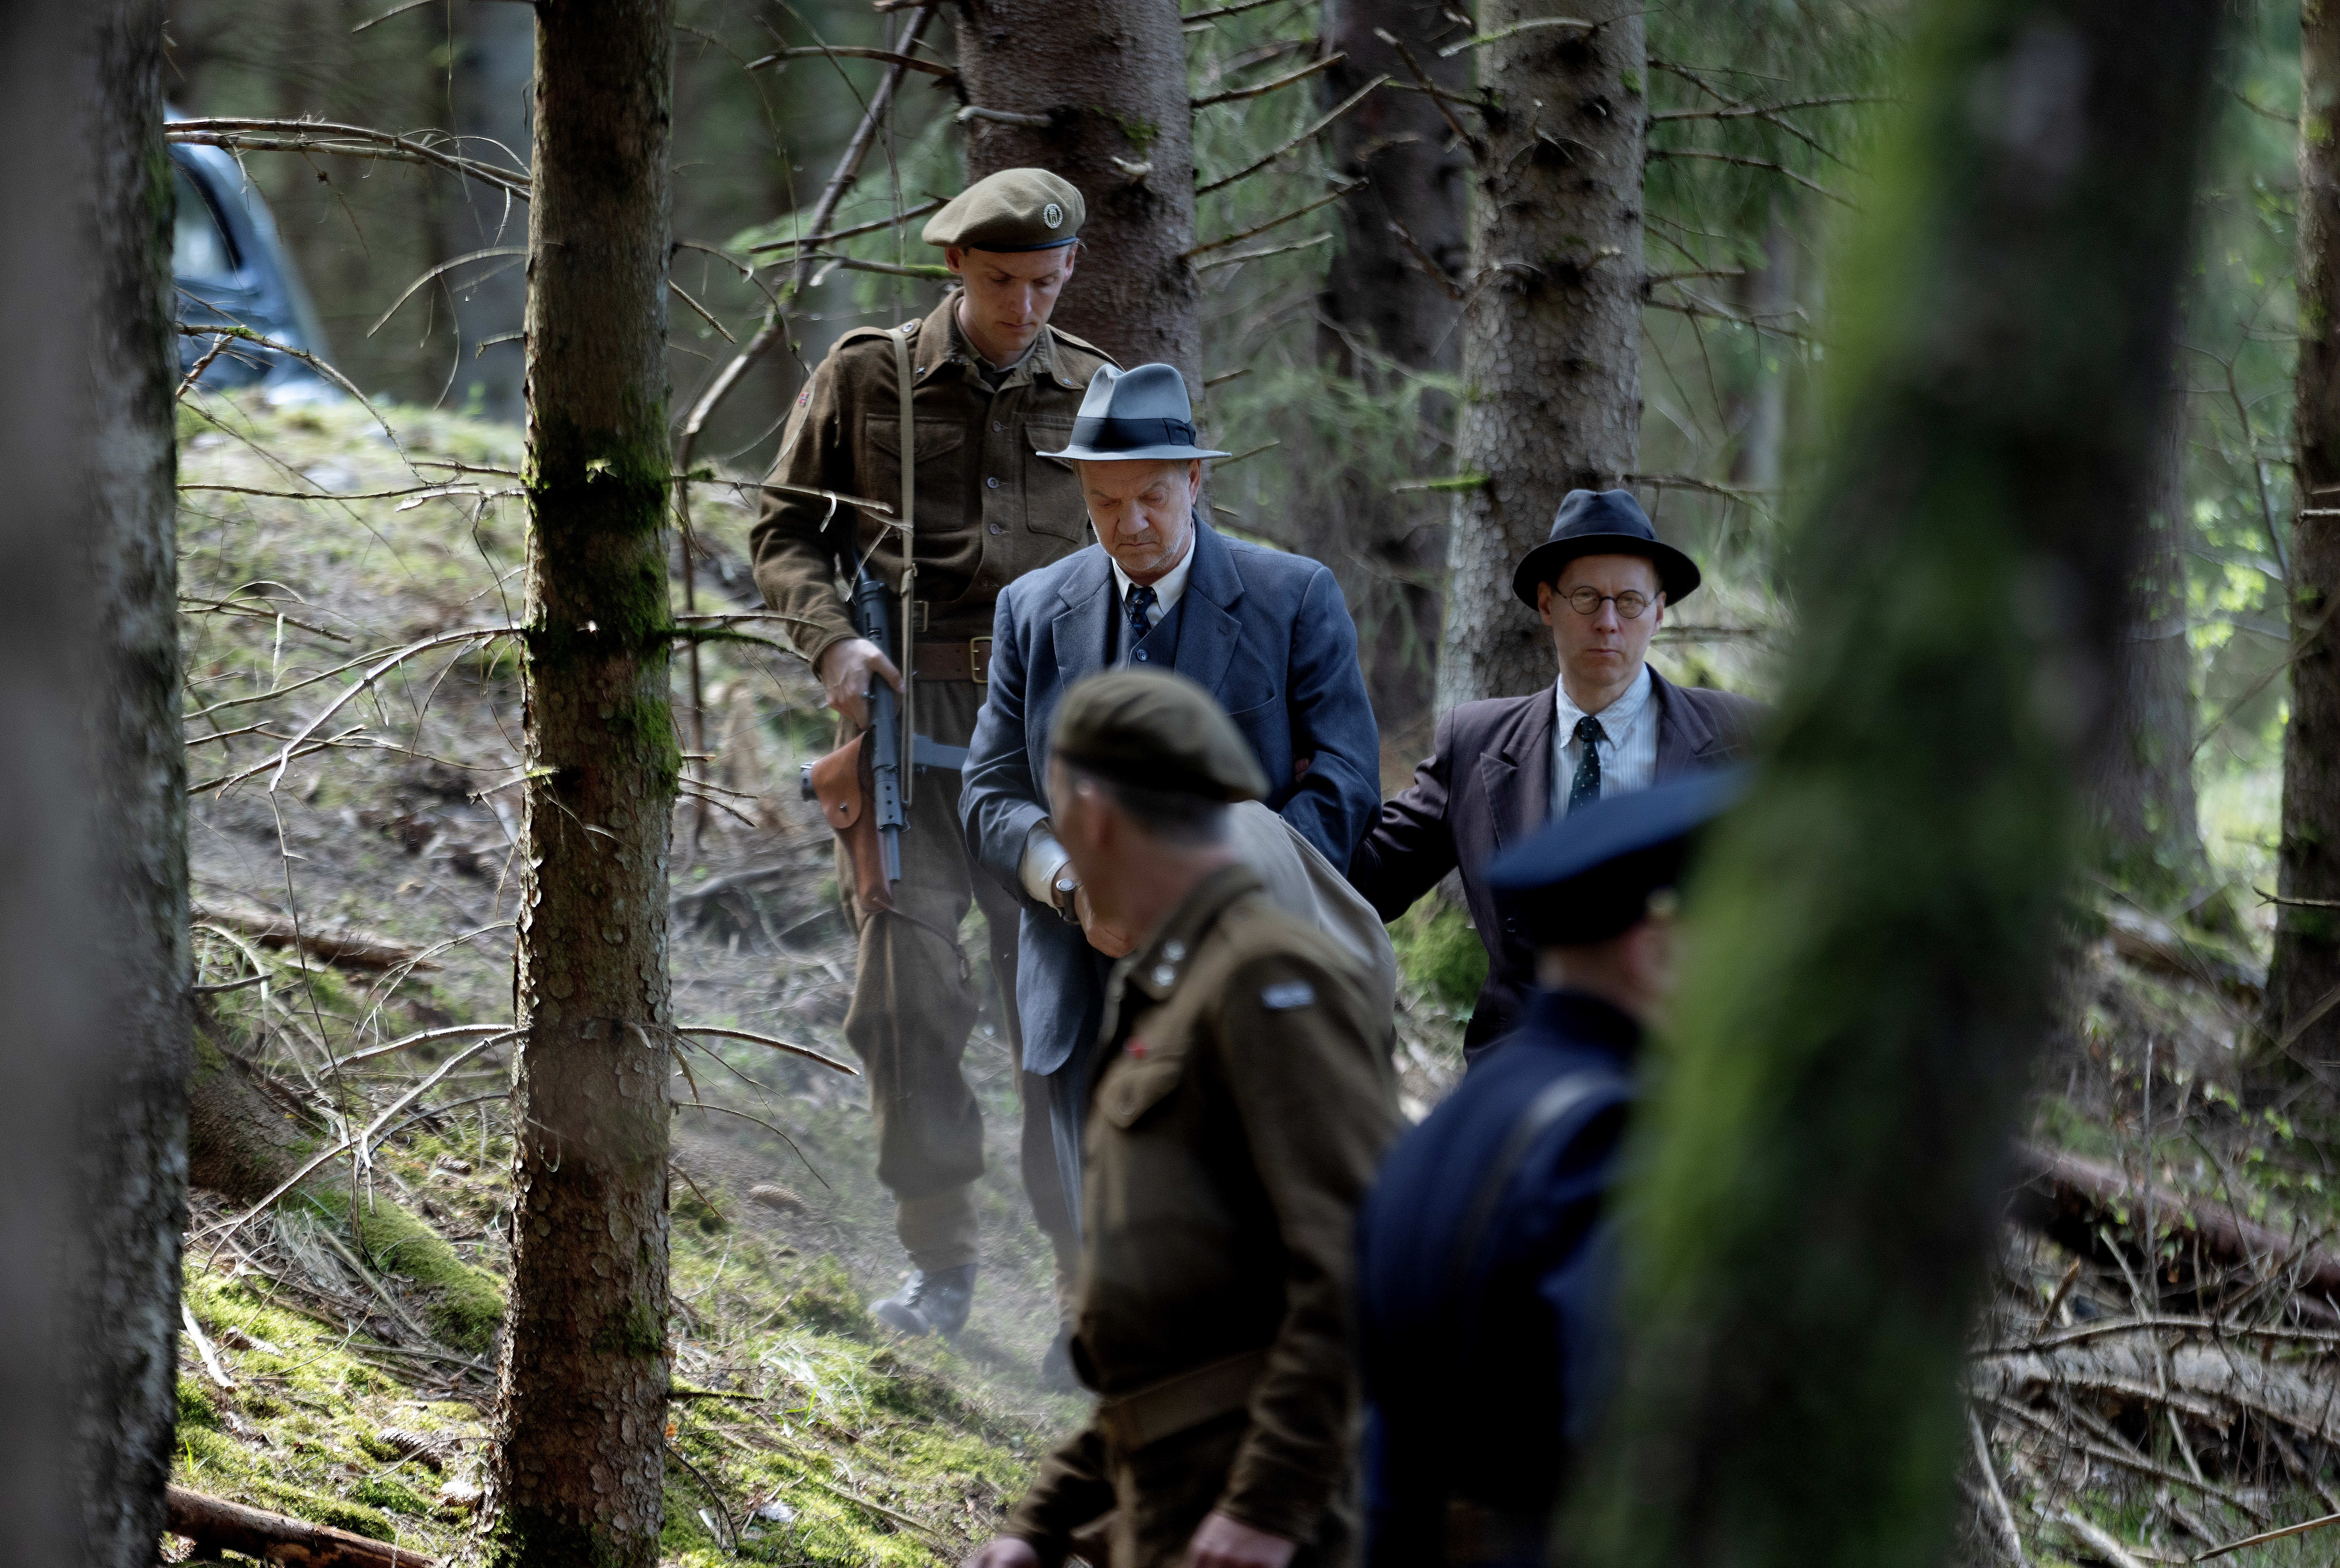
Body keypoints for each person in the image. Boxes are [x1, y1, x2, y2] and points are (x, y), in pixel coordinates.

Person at [748, 167, 1117, 1344]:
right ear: (954, 267)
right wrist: (835, 645)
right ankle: (940, 1262)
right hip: (909, 726)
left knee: (1056, 1016)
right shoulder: (866, 379)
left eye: (1047, 283)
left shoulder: (1101, 392)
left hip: (1053, 751)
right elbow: (783, 531)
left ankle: (1082, 1283)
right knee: (904, 1000)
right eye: (1003, 281)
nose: (1025, 306)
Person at [957, 361, 1385, 1373]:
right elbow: (989, 791)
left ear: (1197, 479)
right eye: (1105, 501)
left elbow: (1346, 785)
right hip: (1080, 964)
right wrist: (1068, 886)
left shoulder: (1292, 598)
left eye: (1153, 495)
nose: (1130, 522)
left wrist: (1227, 895)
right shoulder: (1032, 608)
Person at [963, 670, 1398, 1568]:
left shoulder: (1266, 979)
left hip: (1251, 1520)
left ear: (1096, 815)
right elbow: (1170, 1352)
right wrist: (1037, 1527)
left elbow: (1356, 1262)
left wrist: (1271, 1506)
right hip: (1177, 1498)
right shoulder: (1174, 984)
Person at [1353, 769, 1743, 1568]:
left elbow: (1386, 1445)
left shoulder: (1450, 1126)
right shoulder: (1612, 1138)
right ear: (1659, 952)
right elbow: (1630, 1443)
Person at [1347, 488, 1760, 1057]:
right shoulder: (1476, 742)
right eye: (1586, 598)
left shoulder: (1744, 739)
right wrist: (1323, 772)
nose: (1608, 623)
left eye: (1630, 602)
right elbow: (1370, 877)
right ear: (1547, 605)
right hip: (1522, 1068)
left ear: (1659, 611)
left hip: (1686, 1072)